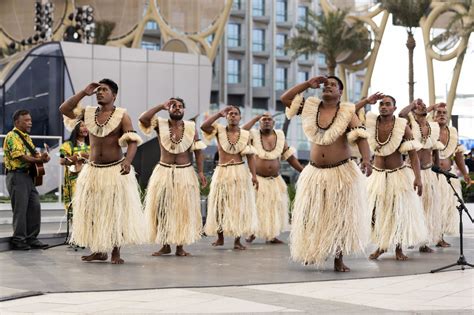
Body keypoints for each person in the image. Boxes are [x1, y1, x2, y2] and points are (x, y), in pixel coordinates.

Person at [281, 75, 372, 272]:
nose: (328, 86)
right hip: (314, 173)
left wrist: (366, 159)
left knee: (340, 217)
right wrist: (307, 84)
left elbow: (361, 137)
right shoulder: (310, 107)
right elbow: (286, 99)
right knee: (311, 216)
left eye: (333, 85)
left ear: (340, 92)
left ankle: (338, 258)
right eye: (325, 84)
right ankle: (311, 251)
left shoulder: (347, 112)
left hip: (341, 172)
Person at [59, 79, 145, 264]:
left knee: (115, 212)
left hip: (114, 170)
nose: (99, 92)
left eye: (104, 90)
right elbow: (64, 109)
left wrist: (128, 161)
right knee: (93, 212)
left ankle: (115, 252)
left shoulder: (122, 115)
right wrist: (84, 92)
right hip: (93, 170)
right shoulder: (88, 113)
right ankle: (98, 250)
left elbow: (132, 141)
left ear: (114, 95)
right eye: (98, 90)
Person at [138, 97, 207, 257]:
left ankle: (180, 246)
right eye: (173, 106)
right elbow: (143, 119)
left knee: (182, 210)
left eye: (180, 106)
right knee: (162, 209)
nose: (177, 108)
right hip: (164, 171)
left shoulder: (191, 127)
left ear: (184, 110)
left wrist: (201, 172)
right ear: (168, 109)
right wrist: (160, 106)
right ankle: (165, 245)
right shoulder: (160, 124)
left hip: (185, 172)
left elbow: (198, 151)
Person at [365, 95, 428, 261]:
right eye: (381, 104)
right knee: (376, 213)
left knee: (398, 212)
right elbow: (351, 116)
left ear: (394, 108)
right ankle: (382, 245)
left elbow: (413, 155)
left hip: (397, 175)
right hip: (377, 176)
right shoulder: (371, 123)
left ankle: (399, 247)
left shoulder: (402, 126)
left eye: (387, 104)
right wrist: (366, 101)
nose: (383, 107)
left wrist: (418, 178)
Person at [201, 105, 258, 250]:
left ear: (240, 117)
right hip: (222, 171)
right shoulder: (219, 130)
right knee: (219, 205)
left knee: (239, 206)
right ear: (227, 117)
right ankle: (220, 237)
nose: (233, 116)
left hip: (239, 171)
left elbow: (250, 156)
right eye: (230, 114)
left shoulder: (246, 134)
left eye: (236, 114)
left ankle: (237, 240)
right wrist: (219, 114)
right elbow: (204, 126)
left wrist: (254, 175)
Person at [242, 113, 304, 244]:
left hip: (275, 180)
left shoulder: (280, 136)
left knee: (275, 208)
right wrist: (254, 117)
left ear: (274, 123)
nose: (266, 122)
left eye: (269, 119)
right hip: (258, 179)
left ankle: (272, 235)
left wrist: (303, 171)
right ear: (260, 122)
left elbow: (290, 157)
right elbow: (241, 132)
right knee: (256, 207)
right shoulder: (253, 135)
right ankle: (252, 232)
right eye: (263, 120)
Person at [399, 98, 442, 253]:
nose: (422, 107)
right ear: (414, 110)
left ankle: (424, 242)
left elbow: (435, 150)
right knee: (411, 207)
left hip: (429, 171)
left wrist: (437, 172)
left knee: (428, 207)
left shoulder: (432, 127)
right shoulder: (409, 125)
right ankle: (409, 238)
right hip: (411, 171)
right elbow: (401, 113)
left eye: (424, 106)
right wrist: (412, 104)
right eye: (419, 106)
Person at [3, 110, 50, 250]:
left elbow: (34, 154)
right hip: (16, 176)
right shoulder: (12, 136)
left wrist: (43, 157)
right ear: (17, 122)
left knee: (34, 207)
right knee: (20, 209)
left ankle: (32, 238)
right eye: (26, 120)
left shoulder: (26, 137)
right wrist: (37, 159)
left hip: (28, 176)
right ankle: (19, 239)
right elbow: (20, 156)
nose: (30, 122)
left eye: (30, 120)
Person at [429, 103, 471, 247]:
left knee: (443, 207)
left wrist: (465, 174)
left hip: (447, 176)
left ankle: (439, 237)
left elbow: (458, 155)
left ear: (447, 116)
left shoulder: (452, 132)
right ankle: (425, 240)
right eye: (438, 112)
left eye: (444, 113)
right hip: (431, 175)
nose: (441, 114)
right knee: (430, 207)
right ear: (433, 116)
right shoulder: (429, 130)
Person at [59, 120, 90, 220]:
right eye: (82, 126)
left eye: (86, 126)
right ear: (76, 129)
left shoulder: (93, 145)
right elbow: (62, 160)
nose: (85, 128)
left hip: (90, 181)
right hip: (74, 182)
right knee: (77, 209)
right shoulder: (67, 145)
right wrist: (77, 157)